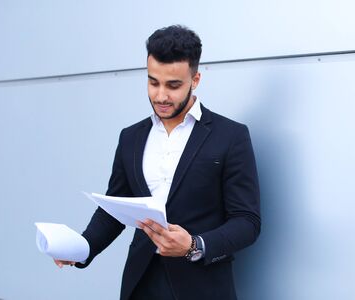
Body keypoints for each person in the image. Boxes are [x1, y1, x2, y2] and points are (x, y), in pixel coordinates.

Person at [55, 25, 261, 300]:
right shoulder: (131, 137)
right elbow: (113, 209)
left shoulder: (231, 136)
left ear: (195, 79)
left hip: (203, 287)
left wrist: (194, 245)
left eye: (173, 85)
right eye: (153, 82)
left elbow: (247, 222)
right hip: (140, 283)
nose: (161, 96)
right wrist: (81, 248)